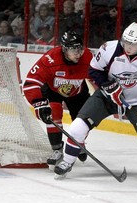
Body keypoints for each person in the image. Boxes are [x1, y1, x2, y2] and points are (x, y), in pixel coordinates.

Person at [53, 22, 137, 185]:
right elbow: (94, 70)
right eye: (125, 41)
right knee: (77, 128)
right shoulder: (109, 49)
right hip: (105, 97)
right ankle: (67, 161)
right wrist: (107, 85)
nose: (127, 46)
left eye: (132, 43)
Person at [23, 31, 93, 169]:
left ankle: (79, 141)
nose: (78, 54)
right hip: (52, 90)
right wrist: (39, 104)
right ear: (64, 49)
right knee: (53, 114)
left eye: (79, 49)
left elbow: (99, 75)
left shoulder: (88, 57)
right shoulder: (50, 59)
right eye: (73, 50)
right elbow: (31, 82)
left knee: (83, 120)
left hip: (78, 92)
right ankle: (57, 149)